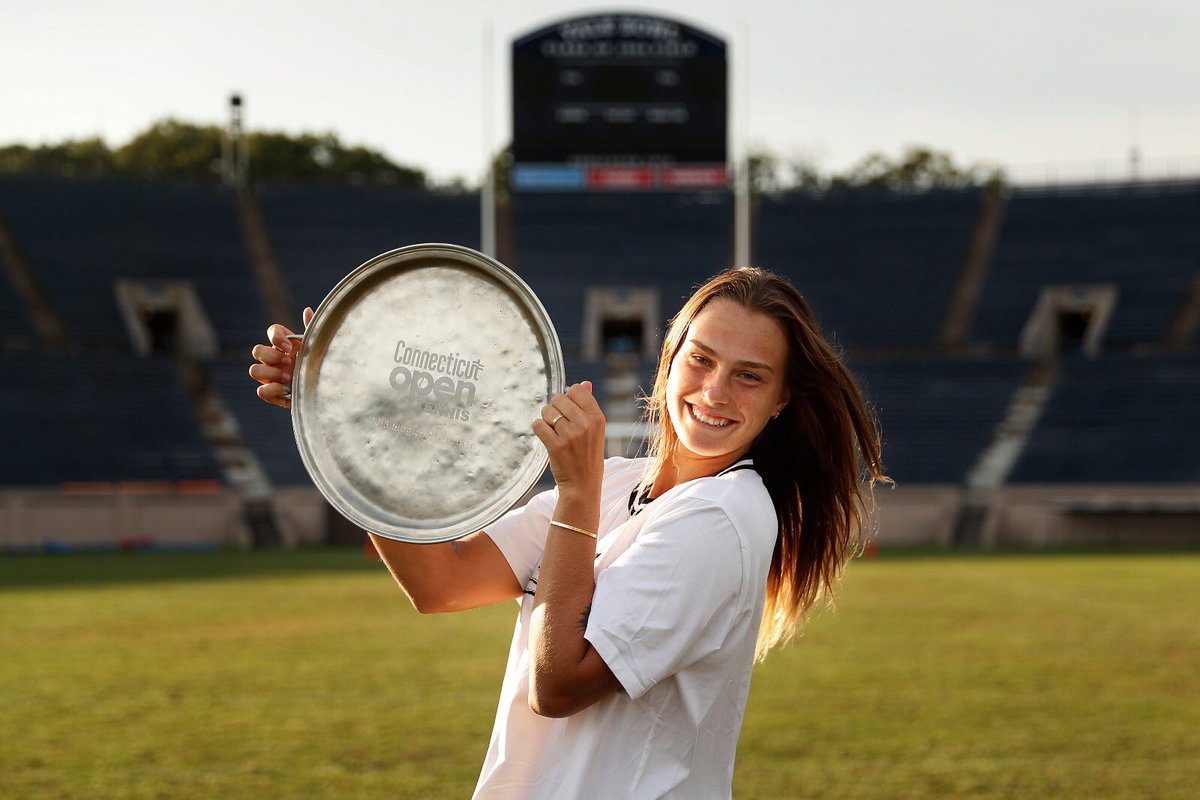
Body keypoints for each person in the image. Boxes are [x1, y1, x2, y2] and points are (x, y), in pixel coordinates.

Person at [249, 266, 887, 798]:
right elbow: (440, 581)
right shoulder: (617, 481)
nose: (715, 391)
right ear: (670, 361)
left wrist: (575, 495)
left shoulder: (722, 514)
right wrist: (343, 418)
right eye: (702, 359)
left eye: (749, 375)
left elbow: (556, 686)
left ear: (780, 400)